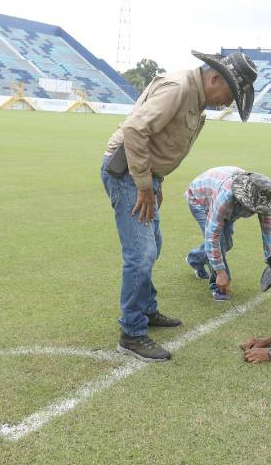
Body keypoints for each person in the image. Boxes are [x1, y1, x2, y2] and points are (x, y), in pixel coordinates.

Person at [101, 50, 258, 362]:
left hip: (144, 175)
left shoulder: (195, 97)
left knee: (153, 244)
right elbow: (134, 130)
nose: (227, 104)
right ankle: (131, 333)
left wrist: (154, 181)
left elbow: (160, 139)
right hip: (128, 174)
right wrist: (144, 184)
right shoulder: (180, 88)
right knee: (141, 253)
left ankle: (145, 310)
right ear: (215, 79)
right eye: (230, 94)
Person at [185, 167, 271, 301]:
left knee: (227, 243)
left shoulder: (263, 196)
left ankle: (194, 259)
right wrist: (221, 272)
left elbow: (268, 232)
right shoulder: (226, 196)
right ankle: (217, 287)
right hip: (200, 199)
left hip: (219, 194)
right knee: (220, 242)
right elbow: (212, 236)